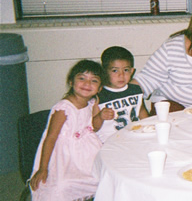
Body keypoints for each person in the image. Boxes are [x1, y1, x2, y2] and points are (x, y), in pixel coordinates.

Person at [30, 60, 105, 201]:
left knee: (101, 176)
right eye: (82, 78)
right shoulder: (64, 108)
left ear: (100, 88)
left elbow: (93, 126)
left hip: (86, 151)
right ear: (71, 82)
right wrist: (43, 168)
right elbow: (51, 138)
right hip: (64, 155)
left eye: (94, 81)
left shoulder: (92, 103)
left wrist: (100, 115)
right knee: (62, 186)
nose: (87, 84)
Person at [93, 46, 148, 142]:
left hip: (134, 137)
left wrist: (149, 125)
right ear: (105, 72)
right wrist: (100, 116)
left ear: (132, 71)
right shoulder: (98, 95)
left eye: (126, 70)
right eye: (115, 70)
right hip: (108, 141)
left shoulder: (135, 90)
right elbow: (93, 127)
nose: (121, 75)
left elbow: (141, 111)